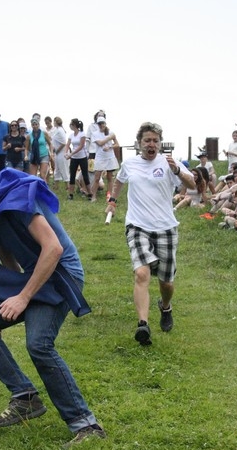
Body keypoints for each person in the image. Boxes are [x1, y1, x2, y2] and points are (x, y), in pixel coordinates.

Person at [0, 156, 105, 449]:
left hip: (60, 276)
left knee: (39, 344)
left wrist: (23, 297)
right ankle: (25, 397)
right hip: (35, 277)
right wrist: (11, 297)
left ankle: (86, 425)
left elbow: (53, 248)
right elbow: (7, 255)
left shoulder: (14, 195)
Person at [105, 122, 195, 345]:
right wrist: (112, 201)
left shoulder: (169, 163)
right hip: (137, 226)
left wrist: (177, 171)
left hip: (166, 227)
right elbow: (119, 180)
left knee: (166, 282)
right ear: (139, 143)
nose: (151, 144)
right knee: (142, 274)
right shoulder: (130, 164)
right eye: (147, 140)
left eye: (155, 140)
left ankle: (165, 306)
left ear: (160, 144)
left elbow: (193, 184)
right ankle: (143, 325)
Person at [88, 116, 119, 202]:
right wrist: (109, 137)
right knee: (97, 178)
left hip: (110, 157)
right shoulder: (95, 134)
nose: (101, 125)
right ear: (97, 125)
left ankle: (110, 196)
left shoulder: (111, 132)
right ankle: (93, 196)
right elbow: (100, 143)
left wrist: (110, 146)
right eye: (99, 124)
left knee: (110, 178)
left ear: (105, 124)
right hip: (100, 158)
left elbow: (117, 144)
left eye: (103, 123)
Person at [65, 118, 91, 200]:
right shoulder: (71, 135)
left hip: (82, 157)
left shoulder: (82, 134)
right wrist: (65, 153)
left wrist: (71, 153)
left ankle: (90, 193)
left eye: (71, 124)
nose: (70, 126)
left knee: (85, 175)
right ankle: (71, 194)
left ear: (75, 125)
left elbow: (81, 146)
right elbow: (67, 144)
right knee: (72, 175)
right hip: (74, 158)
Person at [51, 117, 68, 189]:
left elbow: (64, 143)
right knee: (57, 169)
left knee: (63, 169)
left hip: (61, 153)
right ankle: (56, 185)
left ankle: (67, 185)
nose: (53, 123)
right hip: (57, 153)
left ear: (56, 122)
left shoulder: (60, 130)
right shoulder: (57, 130)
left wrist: (57, 151)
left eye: (54, 121)